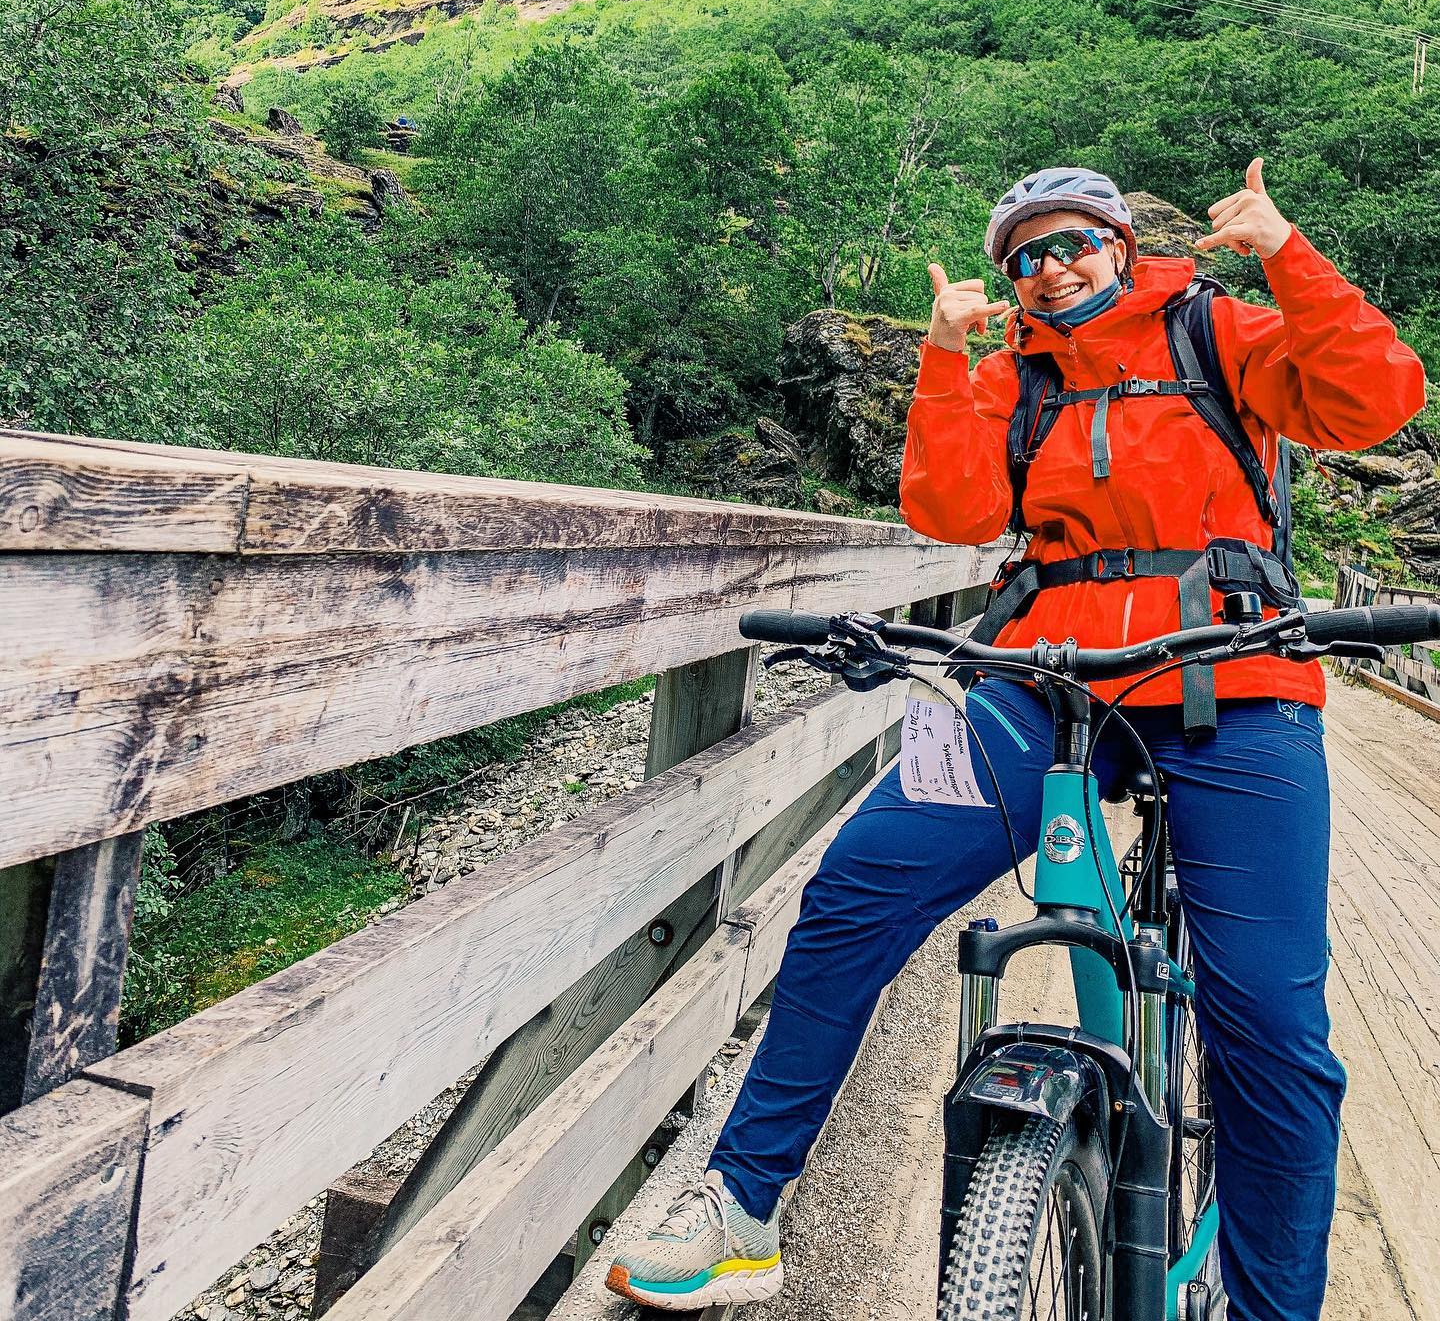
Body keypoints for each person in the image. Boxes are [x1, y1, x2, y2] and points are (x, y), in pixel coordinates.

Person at [607, 161, 1426, 1320]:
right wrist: (946, 359)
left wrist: (1287, 255)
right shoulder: (1013, 378)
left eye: (1072, 242)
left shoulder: (1218, 331)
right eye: (1026, 256)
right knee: (853, 890)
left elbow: (1374, 400)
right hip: (1043, 676)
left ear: (1121, 244)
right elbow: (950, 512)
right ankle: (741, 1208)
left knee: (1273, 1028)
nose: (1052, 268)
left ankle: (1271, 1307)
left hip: (1234, 679)